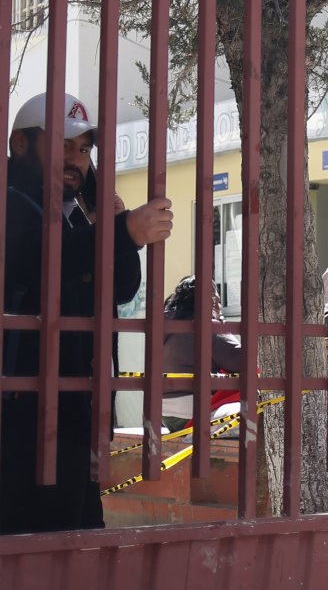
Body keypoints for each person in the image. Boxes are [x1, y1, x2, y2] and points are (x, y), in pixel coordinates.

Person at [1, 92, 173, 534]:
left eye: (84, 149)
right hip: (21, 418)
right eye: (62, 145)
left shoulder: (76, 219)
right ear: (21, 144)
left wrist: (108, 220)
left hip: (75, 415)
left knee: (80, 548)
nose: (76, 159)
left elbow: (120, 288)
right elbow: (38, 259)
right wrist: (122, 232)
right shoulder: (12, 203)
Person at [161, 276, 244, 433]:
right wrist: (222, 326)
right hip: (193, 412)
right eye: (217, 301)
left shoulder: (167, 328)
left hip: (166, 415)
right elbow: (242, 360)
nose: (219, 306)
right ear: (210, 301)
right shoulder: (206, 326)